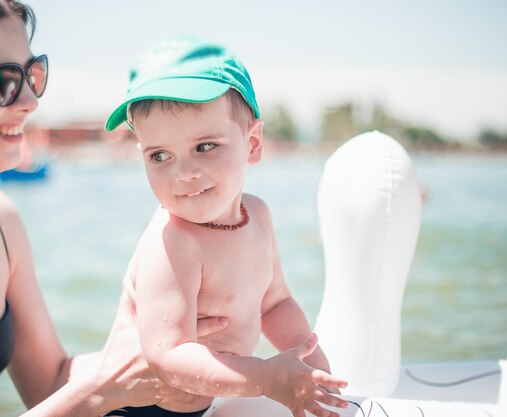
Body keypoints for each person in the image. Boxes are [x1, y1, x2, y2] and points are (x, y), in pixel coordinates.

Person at [0, 2, 228, 416]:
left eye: (32, 74)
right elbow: (82, 395)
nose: (30, 101)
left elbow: (49, 379)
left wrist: (154, 354)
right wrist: (104, 386)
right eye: (3, 80)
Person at [102, 36, 349, 417]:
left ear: (252, 143)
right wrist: (265, 378)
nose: (183, 173)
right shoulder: (171, 241)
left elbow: (275, 302)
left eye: (204, 146)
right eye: (160, 155)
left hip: (203, 401)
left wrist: (314, 368)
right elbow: (167, 356)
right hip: (140, 409)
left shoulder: (259, 216)